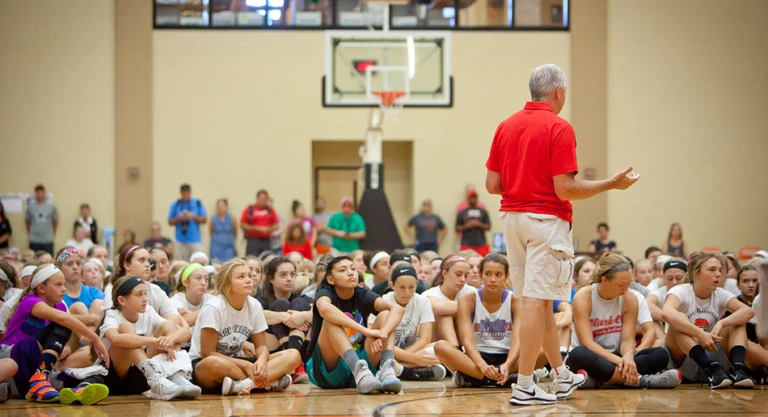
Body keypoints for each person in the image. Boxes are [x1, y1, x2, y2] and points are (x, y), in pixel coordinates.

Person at [485, 64, 640, 405]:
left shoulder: (505, 126)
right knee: (535, 301)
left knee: (536, 301)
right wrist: (612, 184)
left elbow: (492, 185)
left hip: (512, 220)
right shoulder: (559, 127)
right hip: (546, 221)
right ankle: (524, 384)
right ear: (558, 92)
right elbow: (565, 188)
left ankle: (562, 374)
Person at [566, 253, 680, 389]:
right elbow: (587, 343)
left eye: (628, 283)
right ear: (604, 280)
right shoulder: (583, 297)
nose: (626, 288)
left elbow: (627, 340)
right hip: (592, 356)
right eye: (621, 284)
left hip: (616, 357)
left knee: (659, 355)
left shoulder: (630, 298)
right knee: (579, 354)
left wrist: (628, 356)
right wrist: (621, 361)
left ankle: (599, 380)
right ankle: (641, 381)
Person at [0, 264, 110, 403]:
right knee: (63, 323)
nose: (63, 288)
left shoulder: (60, 306)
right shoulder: (30, 301)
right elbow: (62, 319)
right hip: (12, 355)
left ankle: (79, 389)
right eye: (58, 284)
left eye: (63, 284)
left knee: (94, 369)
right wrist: (95, 338)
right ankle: (41, 377)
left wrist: (65, 349)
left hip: (33, 366)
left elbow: (65, 334)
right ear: (41, 288)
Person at [189, 259, 301, 394]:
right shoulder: (213, 307)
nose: (249, 280)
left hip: (239, 362)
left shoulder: (254, 305)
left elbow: (261, 346)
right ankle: (267, 382)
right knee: (213, 363)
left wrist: (261, 361)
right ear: (227, 283)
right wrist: (247, 365)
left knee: (293, 355)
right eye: (241, 277)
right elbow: (207, 354)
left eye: (249, 275)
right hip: (208, 365)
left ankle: (244, 385)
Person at [305, 255, 405, 394]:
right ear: (330, 279)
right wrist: (367, 331)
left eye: (353, 268)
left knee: (386, 314)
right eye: (342, 270)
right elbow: (325, 309)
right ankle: (357, 368)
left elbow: (397, 309)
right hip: (327, 370)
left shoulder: (360, 293)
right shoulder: (325, 293)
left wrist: (384, 333)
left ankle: (386, 367)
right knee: (330, 320)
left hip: (365, 371)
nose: (351, 272)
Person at [662, 252, 754, 388]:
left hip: (712, 353)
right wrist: (699, 334)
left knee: (737, 322)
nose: (718, 274)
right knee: (680, 319)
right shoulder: (681, 291)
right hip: (684, 357)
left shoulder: (721, 293)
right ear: (695, 272)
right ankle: (710, 368)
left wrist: (722, 323)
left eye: (720, 270)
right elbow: (666, 312)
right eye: (712, 270)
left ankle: (738, 370)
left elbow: (748, 311)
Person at [100, 275, 200, 399]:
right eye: (139, 294)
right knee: (126, 328)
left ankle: (176, 376)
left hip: (142, 379)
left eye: (145, 294)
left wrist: (169, 340)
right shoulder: (112, 315)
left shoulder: (148, 311)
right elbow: (115, 338)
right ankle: (155, 378)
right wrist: (154, 341)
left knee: (168, 326)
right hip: (115, 379)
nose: (145, 299)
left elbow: (185, 334)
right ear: (122, 300)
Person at [434, 254, 523, 388]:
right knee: (440, 347)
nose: (493, 279)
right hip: (476, 357)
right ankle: (500, 379)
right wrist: (482, 366)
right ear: (480, 275)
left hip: (507, 356)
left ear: (506, 276)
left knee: (544, 350)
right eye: (488, 274)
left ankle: (474, 378)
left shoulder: (515, 300)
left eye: (498, 275)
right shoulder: (467, 300)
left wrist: (508, 364)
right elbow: (467, 341)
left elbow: (518, 339)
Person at [373, 264, 445, 381]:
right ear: (392, 285)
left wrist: (407, 358)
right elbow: (376, 342)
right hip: (386, 352)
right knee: (379, 351)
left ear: (417, 284)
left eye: (411, 287)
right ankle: (406, 370)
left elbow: (425, 339)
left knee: (438, 347)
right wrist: (414, 359)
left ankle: (398, 369)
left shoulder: (423, 302)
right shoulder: (383, 301)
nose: (407, 292)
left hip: (411, 351)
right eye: (402, 287)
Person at [423, 256, 474, 347]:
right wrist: (469, 306)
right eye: (458, 274)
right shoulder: (429, 294)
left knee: (456, 311)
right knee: (445, 315)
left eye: (466, 276)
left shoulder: (470, 291)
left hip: (466, 343)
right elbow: (438, 308)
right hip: (435, 345)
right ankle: (455, 350)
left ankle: (460, 351)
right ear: (444, 273)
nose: (463, 279)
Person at [646, 259, 687, 342]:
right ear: (663, 278)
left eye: (678, 278)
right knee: (652, 319)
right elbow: (647, 304)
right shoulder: (660, 292)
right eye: (670, 278)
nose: (674, 282)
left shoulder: (692, 291)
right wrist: (670, 317)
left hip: (690, 331)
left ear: (686, 277)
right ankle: (664, 344)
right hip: (668, 335)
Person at [167, 184, 207, 263]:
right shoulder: (176, 204)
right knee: (180, 262)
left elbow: (204, 219)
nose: (186, 195)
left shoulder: (197, 203)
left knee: (198, 261)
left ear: (190, 192)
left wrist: (192, 216)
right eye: (184, 193)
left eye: (187, 193)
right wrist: (179, 218)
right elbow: (170, 221)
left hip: (195, 239)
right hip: (180, 239)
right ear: (181, 193)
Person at [170, 263, 213, 327]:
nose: (203, 283)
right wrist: (209, 310)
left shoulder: (211, 299)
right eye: (198, 278)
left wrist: (192, 314)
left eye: (206, 279)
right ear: (186, 283)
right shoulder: (176, 300)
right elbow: (185, 321)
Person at [241, 190, 279, 257]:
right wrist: (257, 228)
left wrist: (269, 229)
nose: (263, 201)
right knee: (251, 258)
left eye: (265, 199)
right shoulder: (249, 209)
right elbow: (243, 225)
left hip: (266, 240)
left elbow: (276, 225)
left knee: (267, 258)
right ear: (257, 198)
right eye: (261, 199)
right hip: (253, 240)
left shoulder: (270, 210)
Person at [25, 184, 58, 255]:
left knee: (48, 260)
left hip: (48, 240)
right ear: (35, 194)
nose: (40, 194)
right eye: (38, 192)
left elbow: (55, 221)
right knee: (34, 261)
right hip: (34, 240)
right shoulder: (31, 207)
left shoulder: (51, 207)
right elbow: (27, 221)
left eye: (41, 192)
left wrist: (52, 232)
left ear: (44, 193)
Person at [455, 191, 491, 256]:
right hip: (466, 244)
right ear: (468, 198)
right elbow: (457, 228)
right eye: (471, 197)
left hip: (481, 244)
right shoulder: (462, 213)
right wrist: (466, 226)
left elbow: (488, 227)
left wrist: (479, 224)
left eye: (475, 197)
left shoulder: (483, 212)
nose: (473, 199)